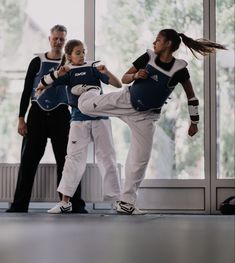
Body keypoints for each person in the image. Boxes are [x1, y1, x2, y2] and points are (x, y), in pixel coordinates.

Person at [74, 28, 227, 215]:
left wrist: (194, 122)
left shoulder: (179, 70)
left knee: (140, 159)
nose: (155, 43)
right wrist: (136, 76)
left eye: (158, 40)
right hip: (125, 101)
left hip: (145, 117)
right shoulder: (147, 57)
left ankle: (126, 202)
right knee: (85, 107)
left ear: (168, 44)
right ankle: (90, 89)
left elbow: (192, 97)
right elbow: (124, 78)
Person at [6, 25, 87, 213]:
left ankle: (72, 205)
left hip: (62, 115)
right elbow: (27, 90)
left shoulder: (72, 63)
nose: (58, 42)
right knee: (28, 161)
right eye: (55, 38)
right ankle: (19, 206)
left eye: (62, 39)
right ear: (50, 39)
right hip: (37, 114)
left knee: (68, 161)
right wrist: (21, 118)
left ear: (65, 42)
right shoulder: (37, 61)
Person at [36, 39, 122, 214]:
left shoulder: (93, 68)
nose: (82, 55)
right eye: (78, 52)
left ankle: (118, 201)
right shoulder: (67, 73)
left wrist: (107, 72)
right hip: (78, 121)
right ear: (69, 56)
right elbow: (42, 84)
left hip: (100, 119)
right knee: (73, 160)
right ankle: (65, 201)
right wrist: (57, 74)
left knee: (107, 158)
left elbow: (118, 84)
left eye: (84, 52)